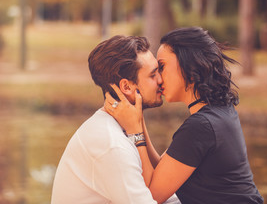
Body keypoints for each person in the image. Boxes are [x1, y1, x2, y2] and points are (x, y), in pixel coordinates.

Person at [105, 27, 264, 204]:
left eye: (162, 67)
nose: (158, 78)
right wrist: (138, 119)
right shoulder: (220, 111)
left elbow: (149, 196)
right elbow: (162, 170)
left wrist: (135, 132)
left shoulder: (201, 126)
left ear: (189, 64)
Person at [51, 35, 180, 204]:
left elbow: (163, 191)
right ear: (126, 86)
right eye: (153, 75)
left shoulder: (119, 127)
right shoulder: (111, 144)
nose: (161, 80)